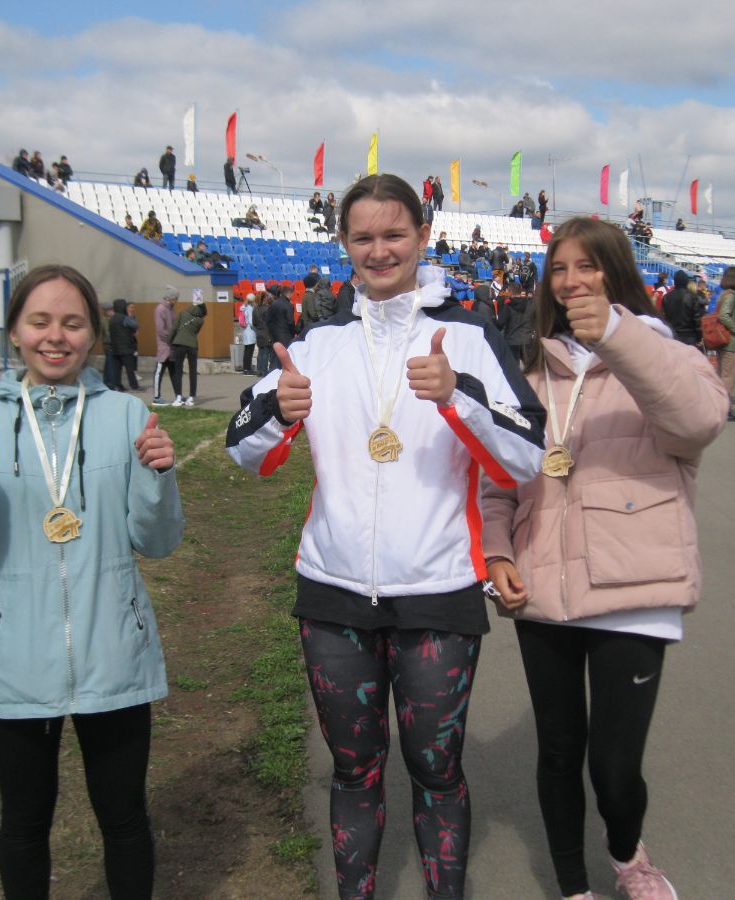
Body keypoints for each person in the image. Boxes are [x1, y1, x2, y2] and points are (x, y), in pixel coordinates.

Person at [226, 173, 546, 900]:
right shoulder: (316, 344)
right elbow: (241, 450)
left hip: (439, 593)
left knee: (437, 772)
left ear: (423, 236)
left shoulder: (470, 335)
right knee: (354, 771)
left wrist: (460, 395)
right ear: (344, 243)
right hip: (333, 594)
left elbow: (530, 453)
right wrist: (277, 410)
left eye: (395, 234)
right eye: (363, 237)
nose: (380, 251)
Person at [482, 217, 727, 900]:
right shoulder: (532, 368)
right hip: (544, 584)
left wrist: (616, 336)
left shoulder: (666, 353)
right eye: (559, 269)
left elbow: (697, 423)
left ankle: (627, 856)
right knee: (560, 753)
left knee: (615, 769)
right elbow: (500, 476)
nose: (571, 281)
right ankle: (572, 886)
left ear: (616, 273)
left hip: (635, 587)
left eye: (587, 266)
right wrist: (497, 551)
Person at [0, 264, 184, 900]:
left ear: (93, 333)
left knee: (124, 820)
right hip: (17, 658)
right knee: (23, 823)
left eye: (72, 323)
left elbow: (157, 542)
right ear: (15, 330)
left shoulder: (127, 414)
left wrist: (157, 477)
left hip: (113, 651)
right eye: (39, 321)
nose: (56, 337)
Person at [716, 267, 735, 421]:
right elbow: (724, 316)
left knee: (723, 374)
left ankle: (721, 407)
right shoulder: (731, 296)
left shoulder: (723, 294)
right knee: (728, 377)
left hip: (723, 341)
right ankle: (724, 409)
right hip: (731, 343)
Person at [167, 299, 205, 407]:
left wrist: (169, 341)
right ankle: (191, 398)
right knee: (193, 372)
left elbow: (174, 328)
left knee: (178, 371)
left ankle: (178, 397)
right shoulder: (200, 320)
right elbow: (195, 332)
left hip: (179, 344)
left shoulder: (182, 313)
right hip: (193, 346)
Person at [152, 286, 180, 406]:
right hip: (164, 348)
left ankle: (178, 395)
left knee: (174, 373)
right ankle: (156, 397)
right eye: (176, 298)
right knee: (158, 373)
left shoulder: (171, 309)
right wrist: (172, 339)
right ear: (170, 298)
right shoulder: (160, 309)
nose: (177, 300)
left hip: (171, 347)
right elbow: (160, 330)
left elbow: (174, 326)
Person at [661, 271, 702, 346]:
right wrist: (699, 336)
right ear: (686, 282)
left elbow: (664, 318)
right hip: (689, 336)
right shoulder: (692, 297)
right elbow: (697, 319)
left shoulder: (666, 297)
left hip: (672, 335)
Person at [109, 299, 141, 392]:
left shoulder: (112, 318)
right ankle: (134, 386)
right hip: (126, 347)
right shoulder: (125, 318)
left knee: (117, 369)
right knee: (130, 368)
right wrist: (131, 317)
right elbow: (135, 325)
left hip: (115, 347)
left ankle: (118, 386)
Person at [253, 291, 274, 376]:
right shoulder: (267, 309)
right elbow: (271, 321)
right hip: (267, 332)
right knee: (266, 352)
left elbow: (254, 323)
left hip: (259, 332)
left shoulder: (255, 309)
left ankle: (259, 370)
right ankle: (264, 371)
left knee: (260, 352)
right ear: (264, 298)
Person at [239, 293, 258, 375]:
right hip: (250, 331)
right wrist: (256, 328)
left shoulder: (244, 307)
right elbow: (251, 321)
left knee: (246, 351)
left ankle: (245, 368)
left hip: (245, 331)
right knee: (250, 351)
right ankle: (248, 369)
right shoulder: (250, 308)